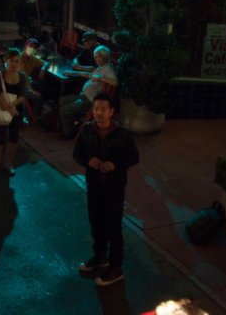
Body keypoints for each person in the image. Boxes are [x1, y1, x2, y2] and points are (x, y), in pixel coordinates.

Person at [73, 92, 139, 286]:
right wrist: (88, 161)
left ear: (111, 112)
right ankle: (100, 257)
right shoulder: (86, 130)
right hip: (94, 184)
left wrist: (114, 165)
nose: (99, 113)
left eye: (103, 109)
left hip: (115, 186)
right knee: (96, 222)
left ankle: (116, 266)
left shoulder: (122, 134)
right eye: (96, 109)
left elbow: (134, 157)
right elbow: (77, 154)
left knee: (113, 226)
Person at [59, 46, 118, 140]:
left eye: (99, 57)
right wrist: (73, 73)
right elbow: (90, 75)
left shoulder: (108, 70)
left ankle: (68, 133)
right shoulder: (102, 67)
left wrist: (100, 78)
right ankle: (73, 124)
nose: (97, 59)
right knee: (62, 100)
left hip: (89, 101)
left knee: (64, 110)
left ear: (105, 57)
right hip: (83, 96)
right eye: (96, 57)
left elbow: (115, 82)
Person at [0, 49, 29, 179]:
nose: (14, 64)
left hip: (17, 112)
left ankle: (8, 164)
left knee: (13, 138)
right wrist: (9, 108)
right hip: (2, 110)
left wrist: (11, 105)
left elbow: (23, 96)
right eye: (12, 61)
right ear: (7, 61)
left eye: (17, 61)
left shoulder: (22, 76)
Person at [18, 38, 48, 128]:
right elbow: (24, 79)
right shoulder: (19, 59)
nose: (32, 49)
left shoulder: (32, 58)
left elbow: (45, 63)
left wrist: (42, 70)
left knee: (45, 88)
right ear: (25, 46)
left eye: (34, 47)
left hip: (27, 82)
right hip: (19, 85)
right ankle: (39, 119)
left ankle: (40, 108)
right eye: (30, 46)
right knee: (38, 97)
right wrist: (32, 91)